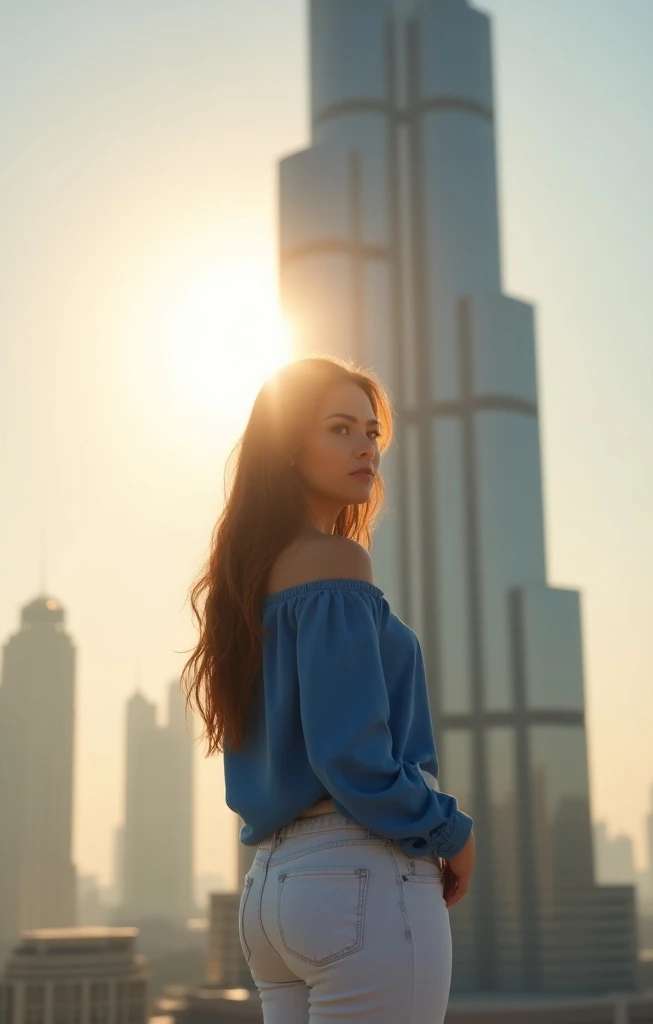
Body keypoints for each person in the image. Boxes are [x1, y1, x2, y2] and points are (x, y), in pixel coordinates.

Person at [181, 354, 476, 1023]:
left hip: (272, 895)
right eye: (340, 428)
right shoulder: (335, 561)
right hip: (359, 879)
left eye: (372, 433)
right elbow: (351, 755)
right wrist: (449, 830)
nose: (365, 448)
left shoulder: (251, 580)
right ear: (288, 449)